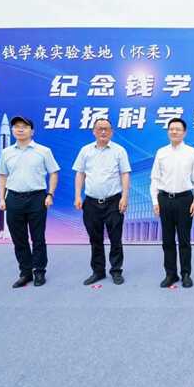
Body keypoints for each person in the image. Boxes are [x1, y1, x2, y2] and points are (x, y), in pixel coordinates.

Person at [0, 116, 60, 288]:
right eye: (16, 126)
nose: (20, 129)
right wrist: (1, 198)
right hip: (13, 197)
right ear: (12, 131)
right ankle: (25, 273)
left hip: (37, 198)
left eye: (24, 126)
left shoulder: (43, 151)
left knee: (38, 237)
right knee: (19, 239)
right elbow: (2, 175)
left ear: (32, 131)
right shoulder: (6, 152)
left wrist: (50, 194)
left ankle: (39, 271)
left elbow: (54, 172)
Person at [73, 117, 131, 286]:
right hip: (91, 202)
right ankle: (98, 271)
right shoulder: (85, 151)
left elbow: (125, 174)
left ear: (112, 132)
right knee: (95, 238)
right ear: (94, 131)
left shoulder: (119, 150)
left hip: (113, 201)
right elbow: (80, 174)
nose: (103, 131)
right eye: (100, 128)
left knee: (115, 238)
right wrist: (78, 196)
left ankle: (116, 271)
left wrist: (125, 197)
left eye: (106, 129)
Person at [150, 117, 194, 288]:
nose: (174, 131)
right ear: (168, 132)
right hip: (165, 199)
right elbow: (155, 178)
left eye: (178, 129)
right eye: (171, 129)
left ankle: (186, 274)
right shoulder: (161, 152)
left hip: (185, 200)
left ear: (184, 132)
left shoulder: (192, 152)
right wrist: (155, 201)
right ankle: (170, 274)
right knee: (167, 240)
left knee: (184, 239)